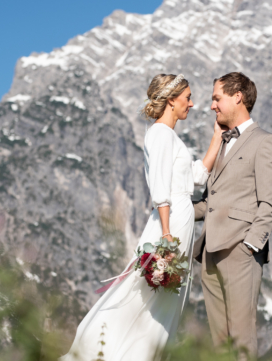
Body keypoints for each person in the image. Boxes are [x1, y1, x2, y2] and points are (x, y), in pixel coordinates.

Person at [61, 74, 224, 361]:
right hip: (170, 223)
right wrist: (166, 235)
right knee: (145, 297)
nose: (192, 104)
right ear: (171, 100)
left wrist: (216, 138)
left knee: (164, 301)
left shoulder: (169, 136)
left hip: (179, 220)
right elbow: (160, 189)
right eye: (187, 98)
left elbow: (197, 178)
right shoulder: (160, 133)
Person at [193, 72, 272, 360]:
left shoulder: (266, 142)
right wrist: (169, 210)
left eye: (216, 98)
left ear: (237, 97)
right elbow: (210, 202)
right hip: (209, 253)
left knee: (242, 341)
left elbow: (270, 203)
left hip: (240, 252)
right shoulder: (222, 142)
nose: (212, 106)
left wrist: (250, 246)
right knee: (220, 344)